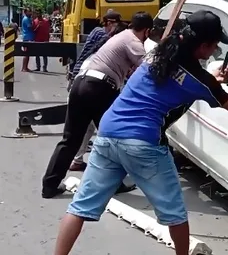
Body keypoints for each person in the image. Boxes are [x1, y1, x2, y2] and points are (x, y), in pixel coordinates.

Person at [53, 10, 228, 255]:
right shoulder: (200, 80)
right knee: (175, 214)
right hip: (142, 143)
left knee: (79, 208)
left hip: (108, 133)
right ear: (204, 46)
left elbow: (174, 82)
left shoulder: (159, 54)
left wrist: (213, 80)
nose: (215, 50)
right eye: (215, 45)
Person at [41, 12, 152, 199]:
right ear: (147, 31)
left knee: (70, 140)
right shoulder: (133, 41)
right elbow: (149, 70)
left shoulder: (120, 37)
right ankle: (113, 184)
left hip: (81, 83)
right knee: (114, 136)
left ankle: (49, 185)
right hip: (99, 89)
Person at [66, 11, 123, 172]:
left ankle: (77, 160)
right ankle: (106, 167)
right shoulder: (103, 35)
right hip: (90, 82)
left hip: (80, 78)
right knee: (99, 127)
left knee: (85, 126)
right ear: (111, 23)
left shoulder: (98, 33)